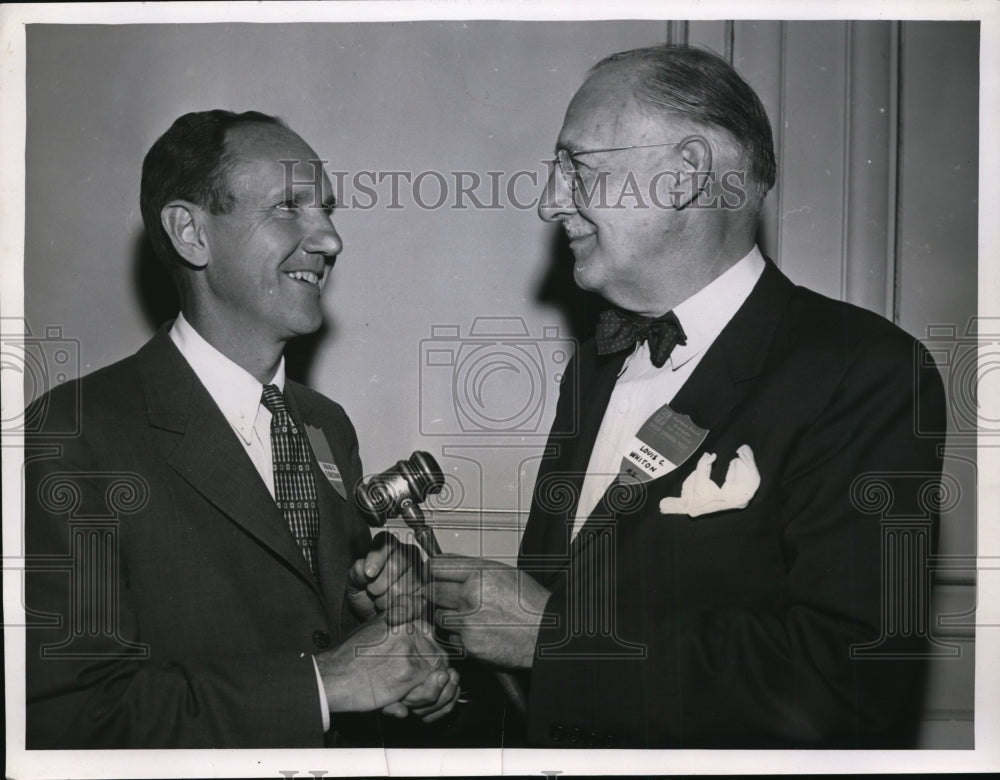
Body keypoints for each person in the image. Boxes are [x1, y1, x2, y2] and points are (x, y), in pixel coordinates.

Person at [426, 44, 947, 748]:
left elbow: (849, 684)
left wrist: (556, 639)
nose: (551, 202)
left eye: (577, 166)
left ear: (685, 174)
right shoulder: (597, 367)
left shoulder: (867, 372)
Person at [24, 110, 458, 748]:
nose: (331, 240)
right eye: (289, 207)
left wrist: (372, 622)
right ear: (191, 233)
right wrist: (325, 684)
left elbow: (304, 621)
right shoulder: (72, 434)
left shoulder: (324, 424)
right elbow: (68, 715)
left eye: (328, 210)